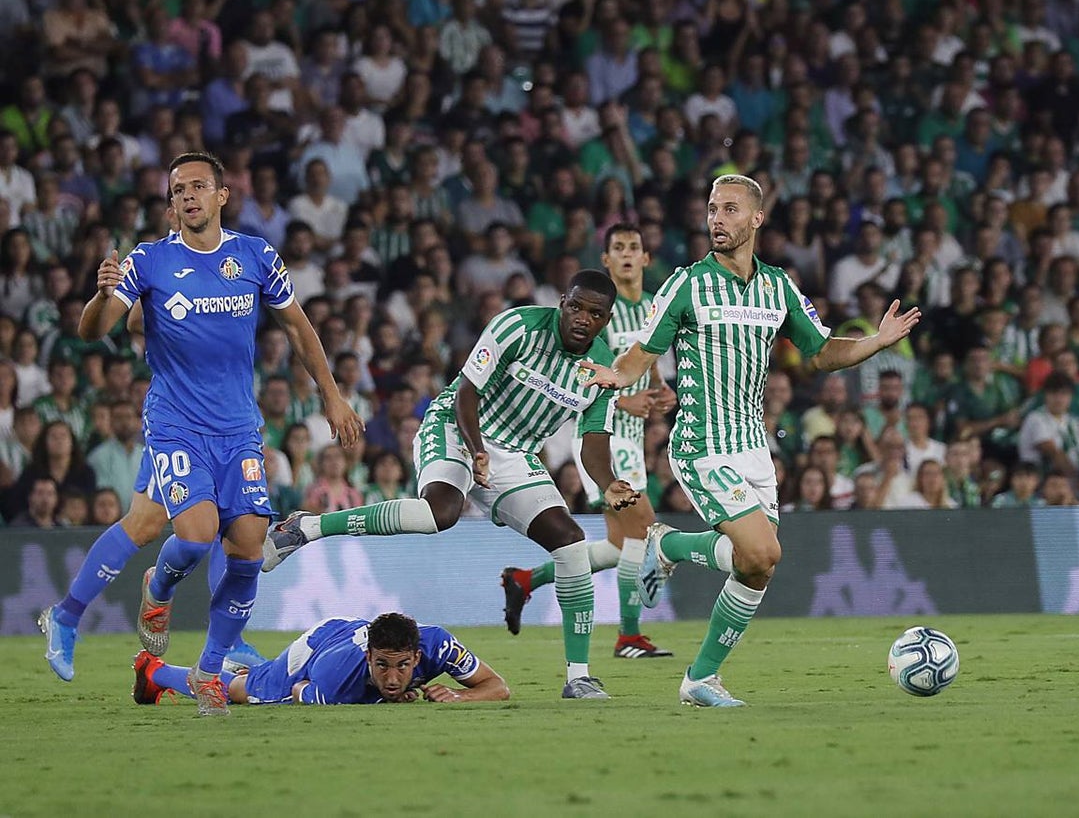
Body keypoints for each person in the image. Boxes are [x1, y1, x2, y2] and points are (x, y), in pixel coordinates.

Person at [38, 153, 363, 715]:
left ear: (221, 195)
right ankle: (153, 594)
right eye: (178, 189)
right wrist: (99, 295)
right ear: (170, 205)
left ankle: (207, 665)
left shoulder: (256, 256)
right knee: (193, 533)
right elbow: (95, 331)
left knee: (242, 542)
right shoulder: (149, 261)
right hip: (175, 425)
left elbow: (299, 329)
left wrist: (331, 394)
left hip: (238, 427)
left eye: (198, 186)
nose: (188, 195)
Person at [579, 174, 920, 706]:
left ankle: (698, 673)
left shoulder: (778, 287)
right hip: (700, 444)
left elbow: (823, 352)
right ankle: (665, 548)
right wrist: (615, 376)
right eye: (712, 208)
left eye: (730, 210)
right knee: (761, 548)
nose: (717, 218)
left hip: (753, 449)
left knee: (757, 565)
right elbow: (641, 353)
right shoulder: (686, 284)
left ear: (756, 219)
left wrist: (876, 341)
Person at [263, 270, 640, 699]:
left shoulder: (603, 369)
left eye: (594, 313)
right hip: (458, 428)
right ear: (561, 301)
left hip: (515, 455)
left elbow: (593, 441)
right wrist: (476, 449)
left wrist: (608, 482)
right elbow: (467, 392)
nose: (582, 318)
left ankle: (578, 677)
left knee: (571, 543)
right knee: (437, 514)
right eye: (575, 306)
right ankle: (307, 527)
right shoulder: (516, 326)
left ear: (606, 320)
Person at [500, 224, 676, 659]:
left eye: (635, 247)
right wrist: (624, 402)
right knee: (642, 529)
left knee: (621, 545)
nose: (628, 255)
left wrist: (662, 392)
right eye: (619, 248)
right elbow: (581, 382)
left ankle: (527, 579)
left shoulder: (655, 310)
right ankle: (628, 635)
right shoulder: (594, 314)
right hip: (601, 437)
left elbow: (650, 369)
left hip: (635, 438)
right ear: (607, 260)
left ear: (646, 258)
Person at [133, 612, 509, 706]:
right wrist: (382, 698)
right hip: (316, 651)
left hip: (350, 631)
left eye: (402, 666)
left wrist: (462, 696)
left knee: (256, 677)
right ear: (368, 657)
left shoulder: (441, 644)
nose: (393, 678)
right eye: (381, 666)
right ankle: (155, 670)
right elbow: (300, 691)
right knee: (243, 692)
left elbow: (498, 687)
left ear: (418, 656)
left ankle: (249, 664)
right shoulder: (335, 679)